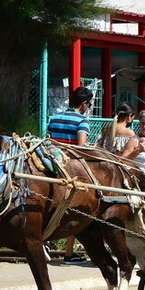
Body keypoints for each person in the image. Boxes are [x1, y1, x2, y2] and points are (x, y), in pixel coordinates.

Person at [46, 86, 93, 264]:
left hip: (50, 166)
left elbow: (48, 141)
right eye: (89, 104)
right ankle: (68, 253)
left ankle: (48, 243)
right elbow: (80, 147)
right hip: (70, 169)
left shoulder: (55, 117)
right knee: (76, 210)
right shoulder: (82, 120)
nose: (88, 107)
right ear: (84, 103)